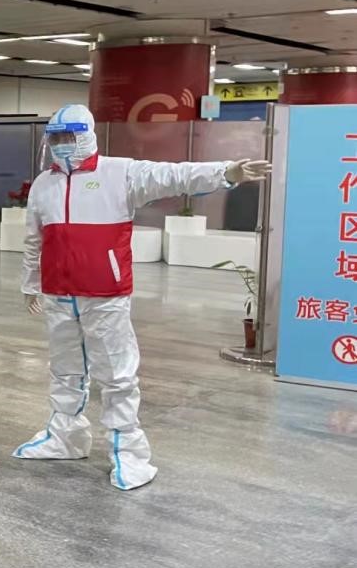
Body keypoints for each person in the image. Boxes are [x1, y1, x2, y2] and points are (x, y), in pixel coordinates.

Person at [16, 103, 271, 490]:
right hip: (58, 293)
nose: (63, 144)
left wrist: (226, 172)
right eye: (56, 137)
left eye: (70, 136)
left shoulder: (120, 173)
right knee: (65, 369)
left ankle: (129, 454)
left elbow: (173, 175)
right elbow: (34, 239)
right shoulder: (43, 184)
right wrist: (30, 282)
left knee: (117, 375)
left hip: (105, 293)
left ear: (87, 136)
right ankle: (64, 436)